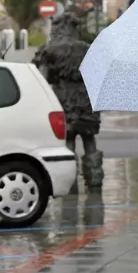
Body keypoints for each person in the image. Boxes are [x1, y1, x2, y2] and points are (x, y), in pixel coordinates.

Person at [33, 13, 103, 189]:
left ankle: (71, 184)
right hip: (86, 99)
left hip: (63, 99)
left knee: (68, 141)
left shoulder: (49, 50)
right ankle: (94, 180)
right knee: (89, 140)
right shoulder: (87, 49)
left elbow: (42, 79)